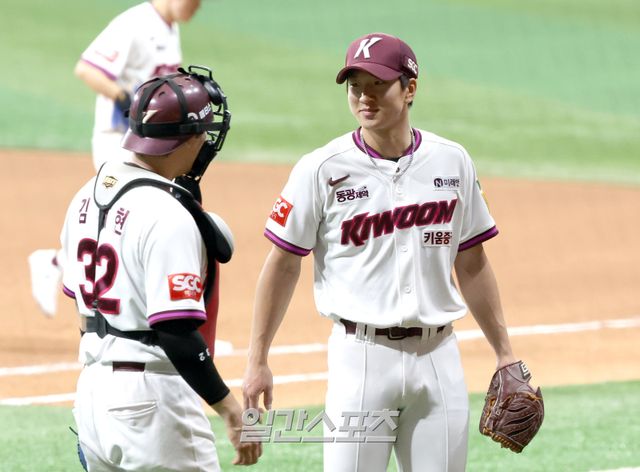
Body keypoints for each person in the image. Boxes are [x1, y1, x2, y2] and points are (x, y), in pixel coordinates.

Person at [242, 32, 523, 471]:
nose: (364, 97)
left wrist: (504, 352)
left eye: (378, 84)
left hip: (439, 357)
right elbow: (282, 264)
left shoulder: (452, 161)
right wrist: (257, 359)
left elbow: (472, 260)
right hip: (361, 359)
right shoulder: (321, 169)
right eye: (355, 86)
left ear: (410, 89)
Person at [60, 66, 261, 470]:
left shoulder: (83, 197)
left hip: (92, 395)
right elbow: (176, 330)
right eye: (203, 134)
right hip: (153, 403)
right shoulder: (167, 215)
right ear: (186, 140)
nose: (206, 143)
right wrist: (228, 407)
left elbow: (82, 315)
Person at [28, 0, 201, 317]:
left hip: (148, 143)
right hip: (118, 139)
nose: (197, 6)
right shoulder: (133, 24)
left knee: (126, 217)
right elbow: (87, 69)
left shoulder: (170, 27)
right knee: (122, 215)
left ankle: (54, 262)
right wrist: (125, 100)